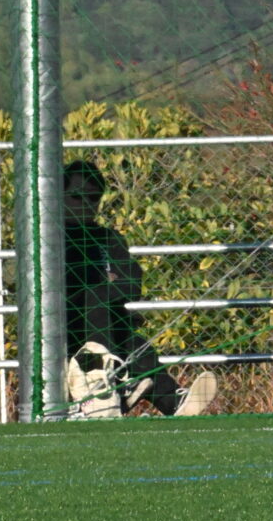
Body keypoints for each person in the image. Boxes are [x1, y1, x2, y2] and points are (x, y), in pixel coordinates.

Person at [62, 160, 216, 417]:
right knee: (101, 307)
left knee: (129, 337)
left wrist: (98, 288)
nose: (86, 203)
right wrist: (101, 285)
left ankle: (154, 399)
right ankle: (125, 393)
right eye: (77, 196)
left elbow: (130, 284)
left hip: (109, 325)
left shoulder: (108, 238)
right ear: (60, 197)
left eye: (93, 197)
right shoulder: (50, 237)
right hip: (65, 328)